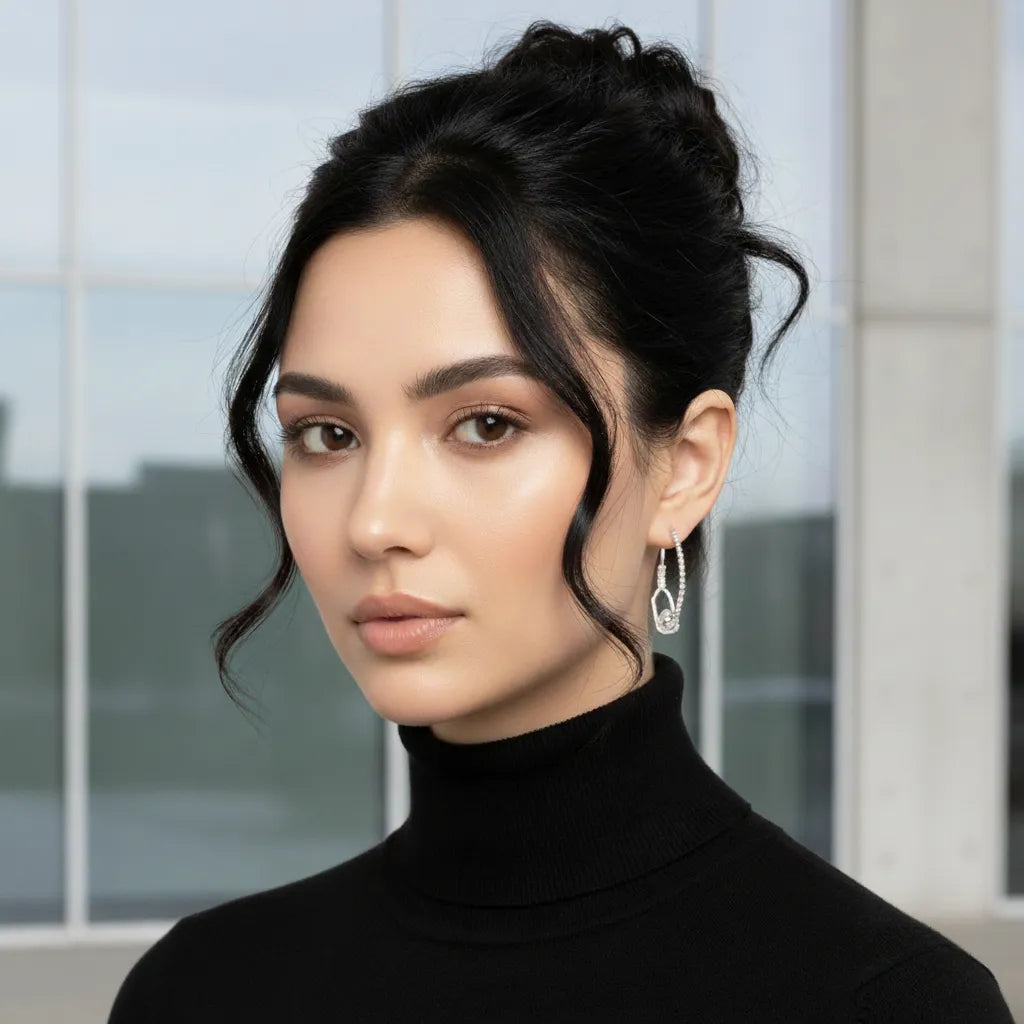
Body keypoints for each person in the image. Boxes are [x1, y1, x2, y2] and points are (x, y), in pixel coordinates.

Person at [107, 20, 1016, 1023]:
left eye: (486, 424)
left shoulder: (884, 1005)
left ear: (687, 466)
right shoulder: (202, 991)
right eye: (327, 434)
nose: (374, 521)